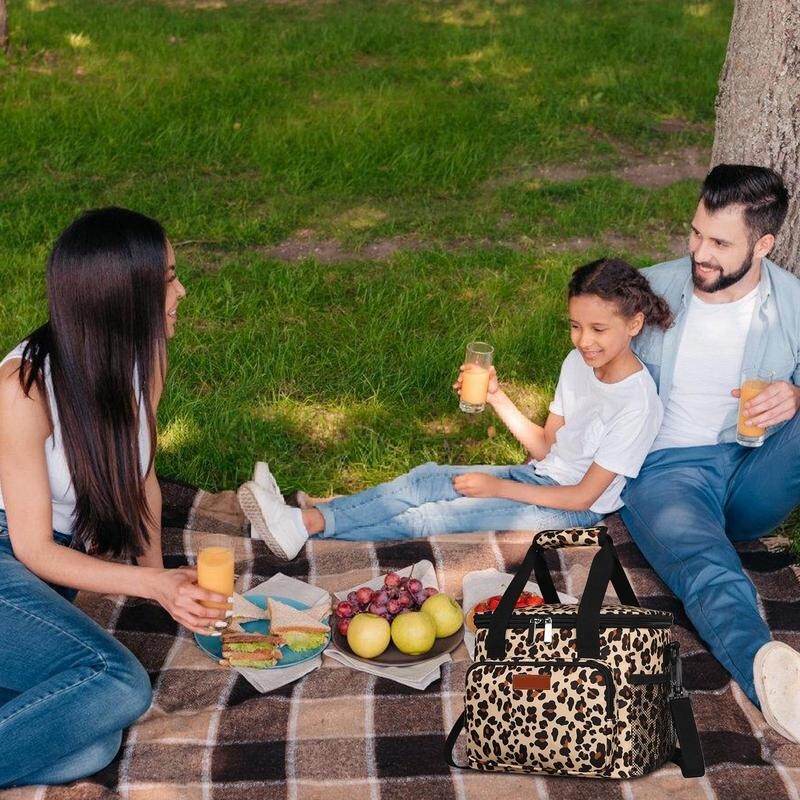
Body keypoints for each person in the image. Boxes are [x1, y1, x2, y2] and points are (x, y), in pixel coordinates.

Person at [0, 208, 232, 788]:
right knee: (118, 683)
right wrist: (152, 584)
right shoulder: (21, 390)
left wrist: (160, 582)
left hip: (45, 575)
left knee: (91, 745)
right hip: (13, 556)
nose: (182, 290)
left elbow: (141, 476)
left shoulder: (143, 355)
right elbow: (31, 547)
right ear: (122, 297)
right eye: (169, 279)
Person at [238, 257, 671, 561]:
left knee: (434, 515)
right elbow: (545, 447)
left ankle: (303, 525)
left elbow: (582, 496)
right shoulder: (577, 362)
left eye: (598, 329)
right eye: (575, 326)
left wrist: (497, 487)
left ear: (634, 324)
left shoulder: (637, 403)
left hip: (570, 509)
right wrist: (497, 396)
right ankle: (297, 522)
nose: (583, 340)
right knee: (426, 478)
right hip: (540, 476)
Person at [621, 164, 800, 743]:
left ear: (764, 244)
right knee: (707, 566)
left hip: (754, 469)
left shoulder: (795, 305)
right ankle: (768, 670)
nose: (701, 252)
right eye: (697, 233)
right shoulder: (646, 291)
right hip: (669, 471)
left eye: (721, 243)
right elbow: (585, 381)